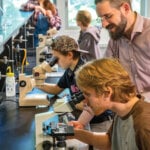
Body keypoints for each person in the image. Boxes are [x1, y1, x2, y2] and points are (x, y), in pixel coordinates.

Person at [70, 58, 150, 150]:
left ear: (107, 92)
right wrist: (75, 133)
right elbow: (110, 142)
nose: (84, 101)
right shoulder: (121, 111)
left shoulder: (144, 125)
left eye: (88, 94)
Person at [95, 0, 150, 101]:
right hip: (128, 105)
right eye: (101, 19)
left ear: (125, 8)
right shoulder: (115, 38)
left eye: (107, 16)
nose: (104, 24)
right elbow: (104, 74)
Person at [35, 35, 87, 118]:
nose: (55, 62)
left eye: (57, 58)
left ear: (69, 55)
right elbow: (56, 89)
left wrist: (68, 100)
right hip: (82, 117)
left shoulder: (85, 73)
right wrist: (36, 83)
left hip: (97, 124)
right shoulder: (70, 71)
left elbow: (87, 106)